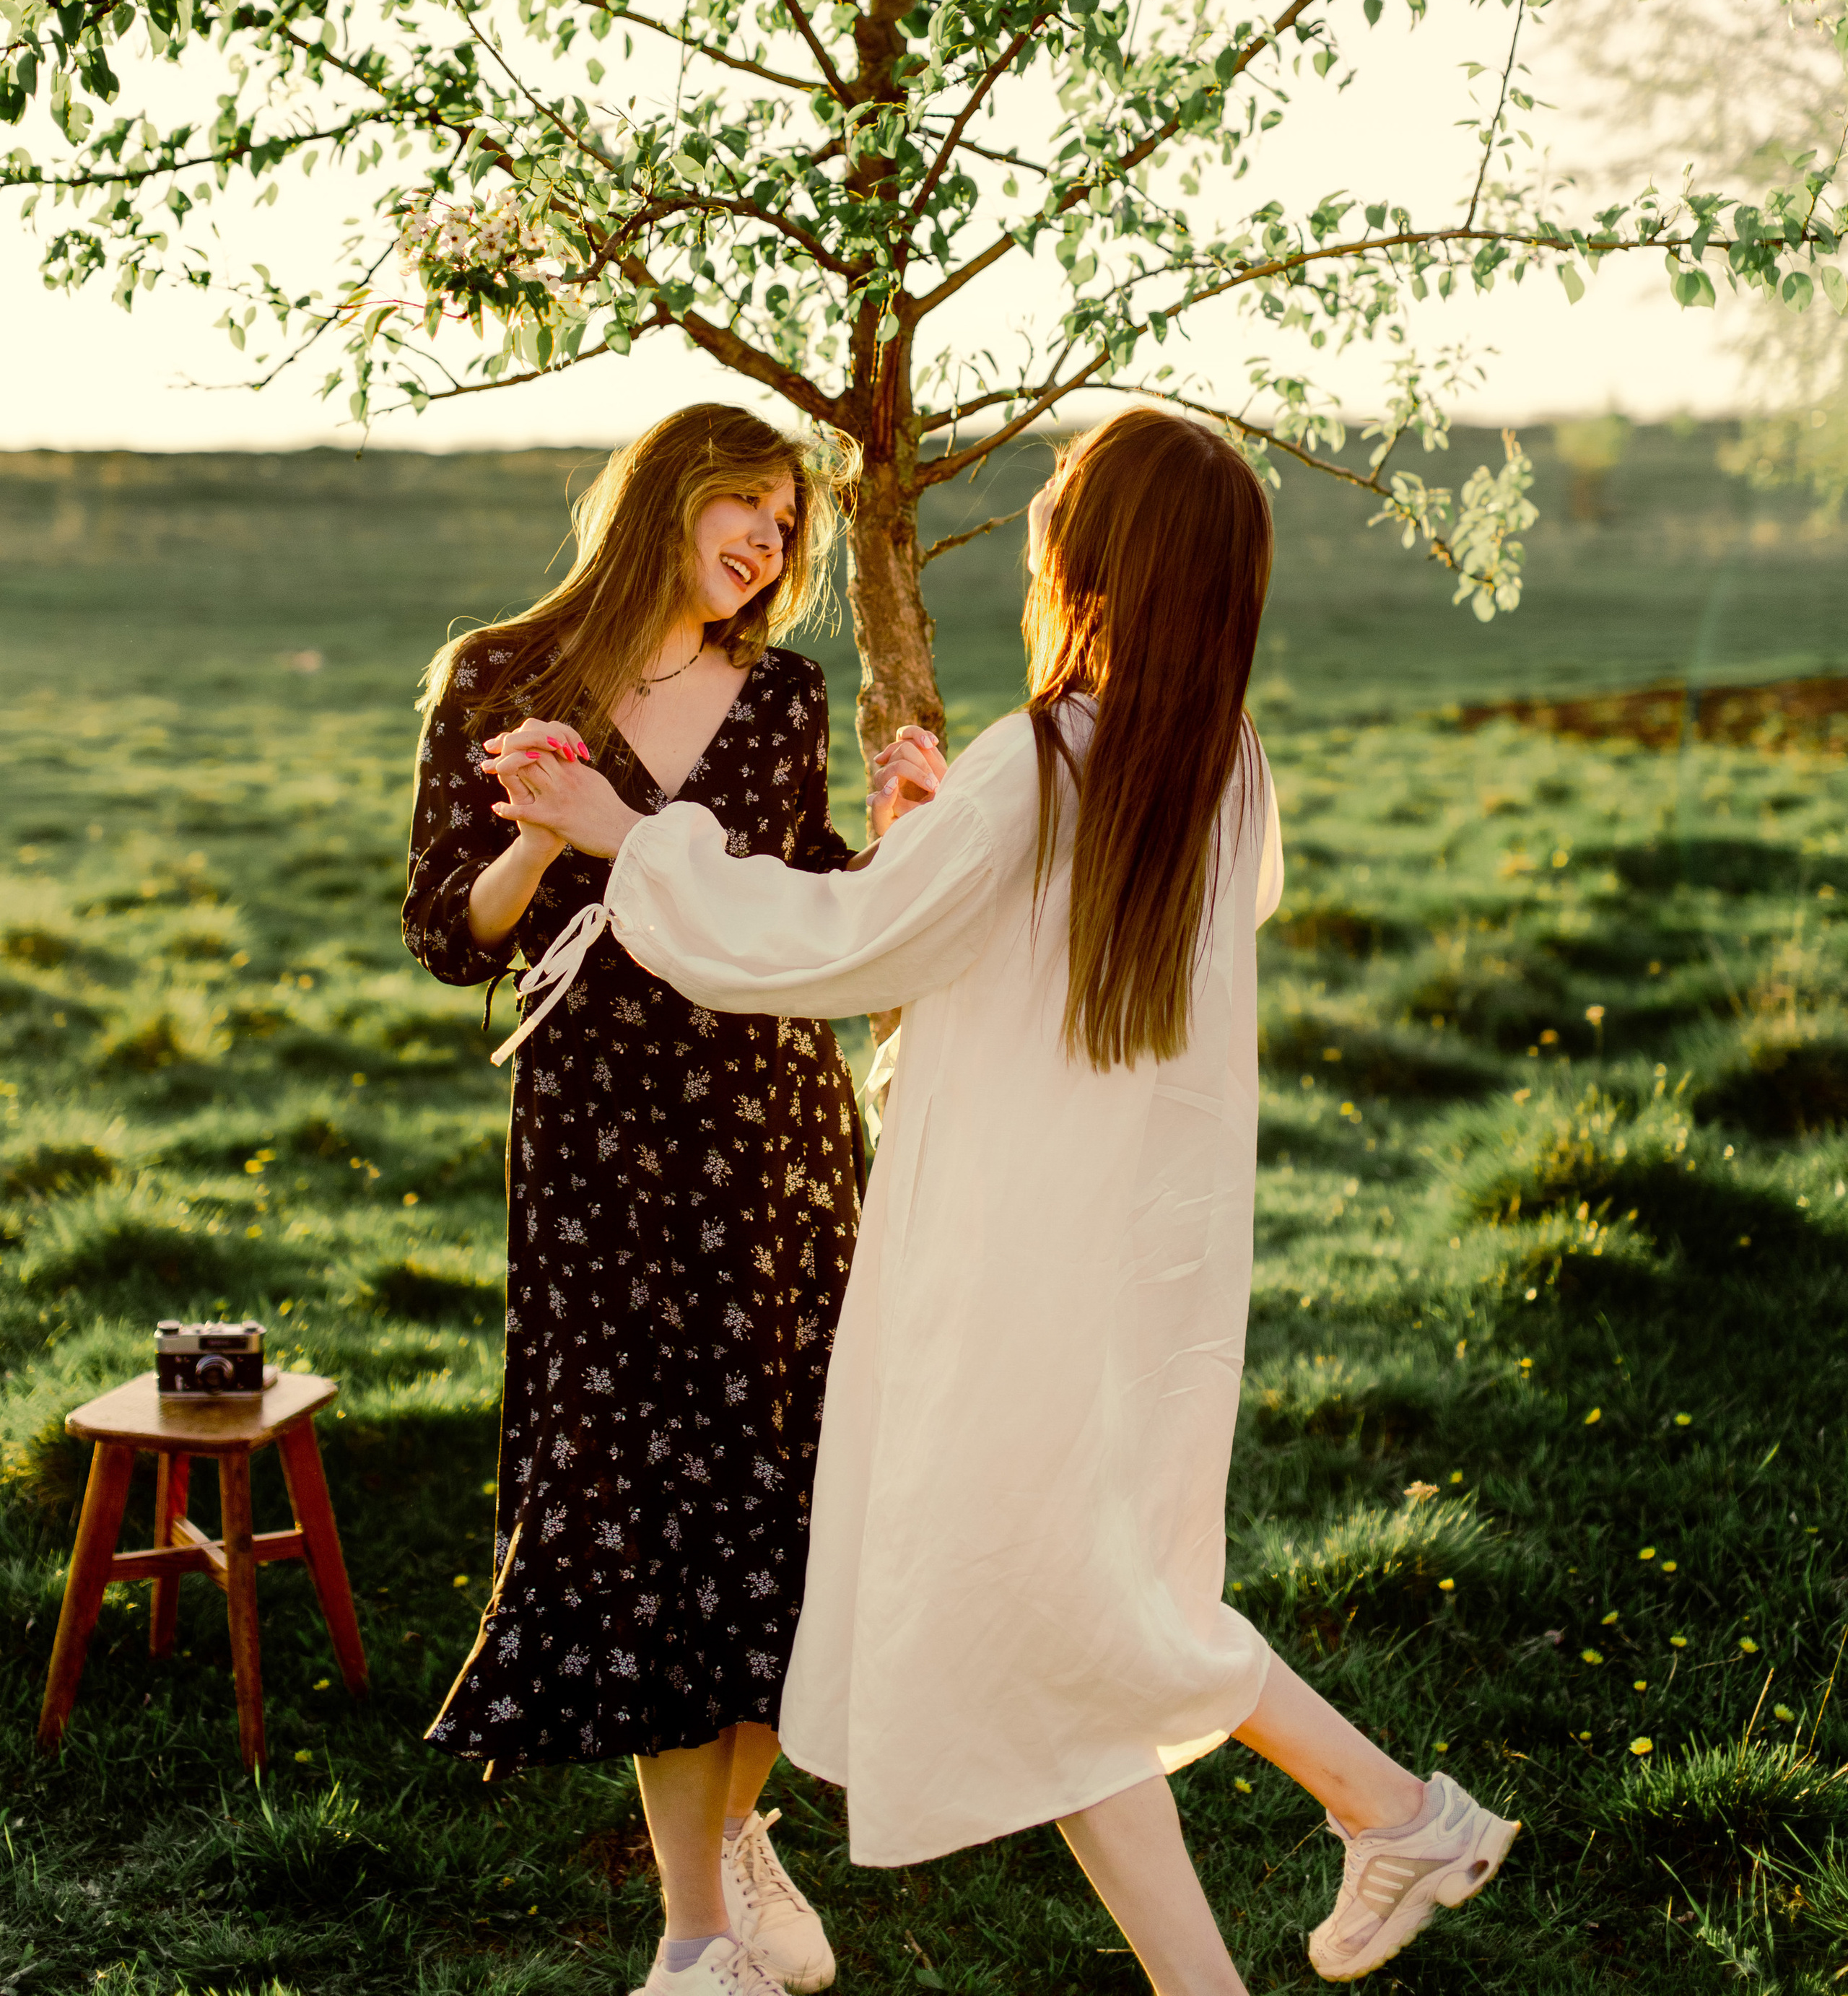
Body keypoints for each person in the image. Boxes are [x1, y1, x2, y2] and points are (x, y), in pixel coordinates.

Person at [482, 407, 1519, 1993]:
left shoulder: (1044, 760)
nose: (1036, 503)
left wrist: (631, 837)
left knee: (1073, 1616)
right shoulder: (1217, 763)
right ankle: (1321, 1884)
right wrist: (936, 849)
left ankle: (1396, 1811)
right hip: (1143, 1267)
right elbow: (1068, 937)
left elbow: (822, 954)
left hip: (1013, 1262)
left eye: (1063, 490)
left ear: (1100, 556)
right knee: (1073, 1621)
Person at [405, 402, 938, 1996]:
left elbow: (799, 905)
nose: (773, 545)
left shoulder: (781, 693)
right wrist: (525, 835)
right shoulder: (502, 676)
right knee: (643, 1511)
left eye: (790, 524)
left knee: (790, 1498)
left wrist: (893, 854)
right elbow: (452, 932)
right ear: (668, 500)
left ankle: (740, 1832)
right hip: (604, 1149)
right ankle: (694, 1936)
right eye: (750, 508)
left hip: (767, 1132)